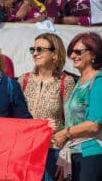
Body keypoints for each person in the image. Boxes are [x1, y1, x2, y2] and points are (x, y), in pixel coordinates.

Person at [17, 33, 75, 181]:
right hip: (24, 150)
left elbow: (71, 121)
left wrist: (65, 156)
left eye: (40, 49)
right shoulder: (24, 79)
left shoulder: (66, 82)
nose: (35, 53)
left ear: (54, 54)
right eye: (33, 49)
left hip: (52, 150)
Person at [54, 32, 102, 181]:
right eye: (71, 52)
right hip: (75, 153)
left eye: (78, 52)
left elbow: (94, 124)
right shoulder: (80, 81)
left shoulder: (98, 81)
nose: (73, 56)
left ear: (94, 53)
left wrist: (65, 133)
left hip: (91, 153)